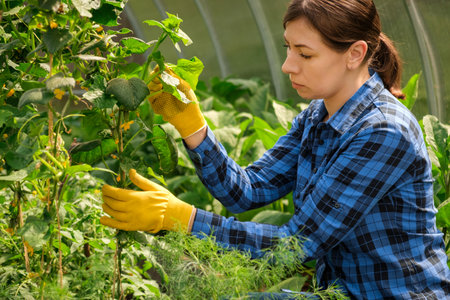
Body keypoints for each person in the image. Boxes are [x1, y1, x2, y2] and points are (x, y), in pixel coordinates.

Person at [100, 0, 450, 298]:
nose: (287, 66)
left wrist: (182, 219)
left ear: (355, 54)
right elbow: (247, 192)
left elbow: (294, 247)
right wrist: (194, 129)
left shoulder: (383, 131)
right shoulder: (319, 114)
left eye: (305, 54)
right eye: (288, 48)